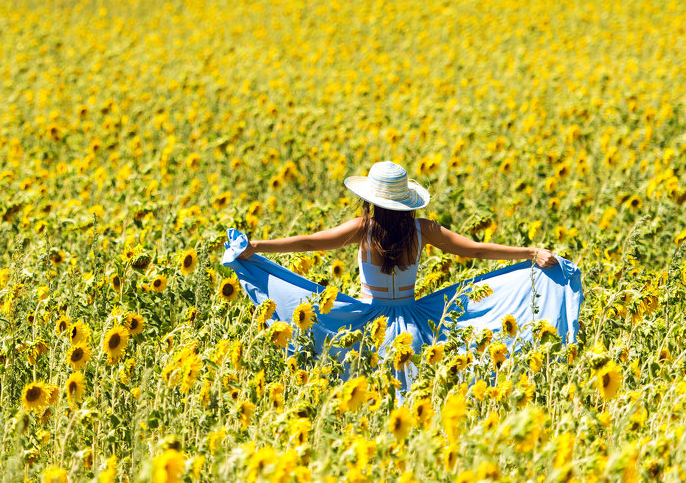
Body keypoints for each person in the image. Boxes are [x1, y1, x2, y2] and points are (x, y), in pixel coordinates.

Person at [220, 160, 583, 395]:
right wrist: (529, 254)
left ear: (371, 199)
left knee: (368, 392)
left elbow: (310, 243)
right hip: (419, 324)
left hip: (366, 326)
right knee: (422, 391)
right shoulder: (423, 229)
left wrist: (257, 247)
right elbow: (474, 249)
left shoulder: (363, 228)